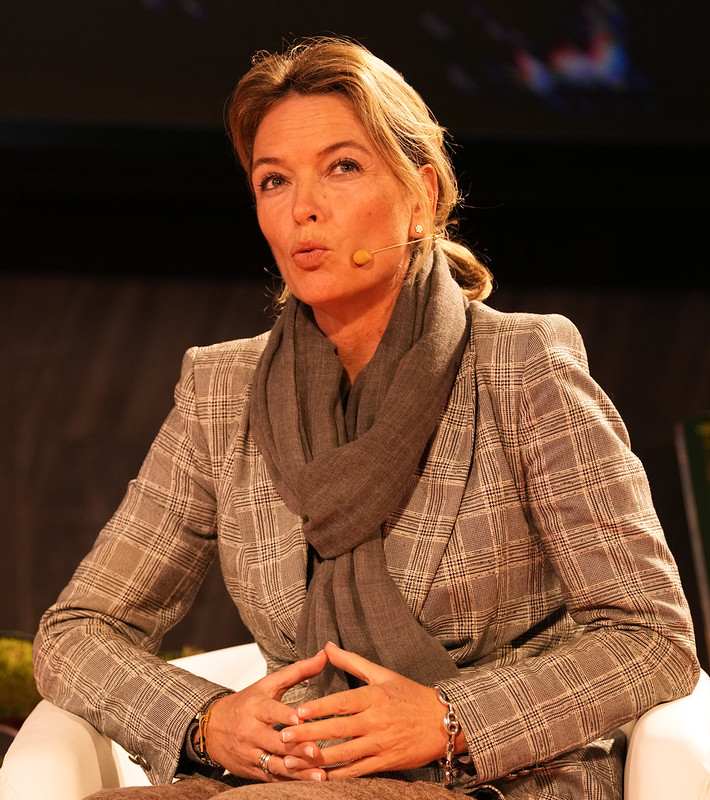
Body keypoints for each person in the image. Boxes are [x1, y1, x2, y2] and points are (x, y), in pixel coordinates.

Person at [34, 36, 699, 800]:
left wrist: (450, 719)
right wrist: (205, 721)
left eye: (341, 167)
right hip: (291, 774)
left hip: (499, 780)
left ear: (420, 197)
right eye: (273, 181)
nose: (302, 208)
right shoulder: (223, 392)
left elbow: (651, 637)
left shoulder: (522, 369)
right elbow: (76, 632)